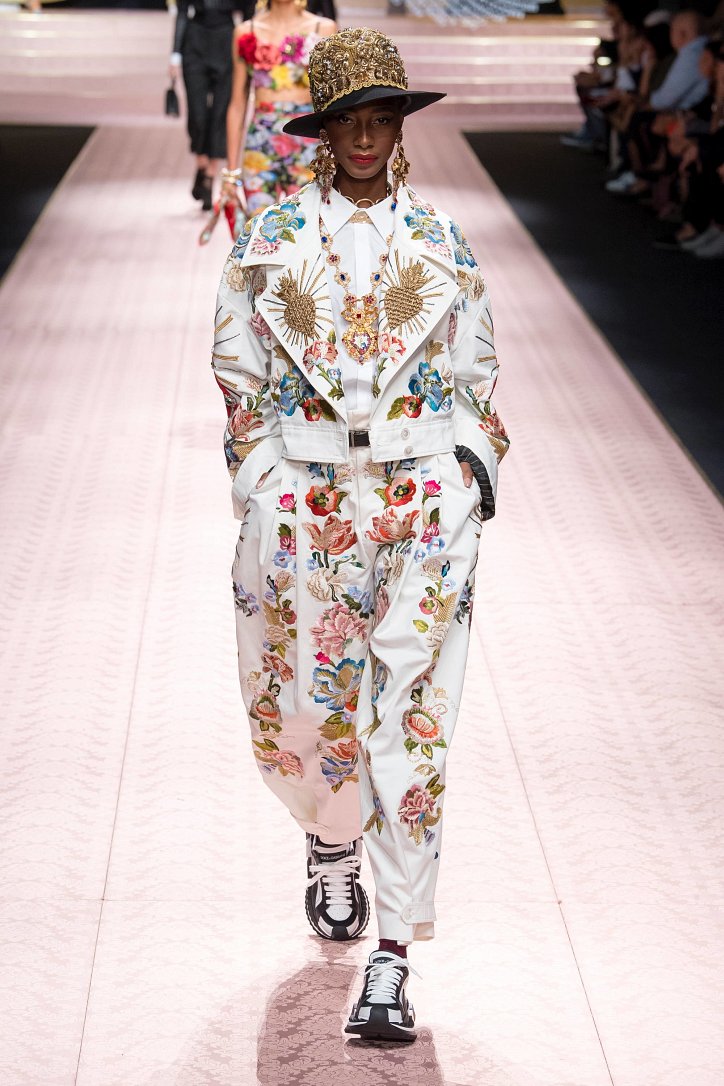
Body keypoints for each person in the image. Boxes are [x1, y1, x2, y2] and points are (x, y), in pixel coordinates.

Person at [212, 26, 509, 1042]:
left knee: (412, 723)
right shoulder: (269, 240)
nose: (368, 137)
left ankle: (392, 958)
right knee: (305, 714)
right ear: (323, 131)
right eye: (350, 121)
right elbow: (238, 374)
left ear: (401, 125)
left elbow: (476, 374)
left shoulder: (441, 240)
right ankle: (331, 840)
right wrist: (260, 481)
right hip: (305, 504)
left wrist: (469, 476)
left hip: (421, 501)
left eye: (382, 118)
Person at [221, 0, 336, 216]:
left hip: (309, 145)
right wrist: (231, 174)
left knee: (306, 226)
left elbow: (334, 101)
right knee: (259, 226)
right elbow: (237, 103)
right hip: (260, 145)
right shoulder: (246, 32)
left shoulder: (323, 29)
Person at [169, 0, 242, 211]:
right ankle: (201, 165)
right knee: (197, 114)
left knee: (220, 114)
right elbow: (182, 12)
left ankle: (210, 175)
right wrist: (175, 55)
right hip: (195, 43)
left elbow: (249, 13)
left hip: (227, 42)